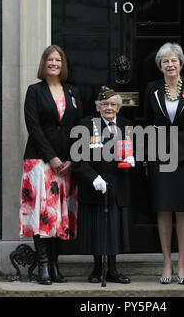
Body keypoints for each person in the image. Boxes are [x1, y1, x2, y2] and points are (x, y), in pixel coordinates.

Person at [18, 45, 83, 285]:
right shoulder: (35, 91)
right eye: (50, 59)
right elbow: (33, 126)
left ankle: (55, 264)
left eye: (58, 60)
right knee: (41, 213)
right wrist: (52, 157)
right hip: (40, 161)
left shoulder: (73, 91)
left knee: (59, 215)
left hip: (66, 164)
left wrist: (72, 159)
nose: (54, 63)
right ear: (44, 64)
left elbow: (79, 127)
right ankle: (43, 266)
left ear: (63, 64)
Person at [144, 42, 184, 285]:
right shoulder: (152, 89)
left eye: (174, 60)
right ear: (160, 66)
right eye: (165, 61)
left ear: (181, 63)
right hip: (159, 155)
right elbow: (147, 125)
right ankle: (167, 261)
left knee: (183, 208)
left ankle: (182, 262)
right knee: (163, 208)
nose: (170, 65)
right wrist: (145, 159)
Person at [73, 86, 135, 284]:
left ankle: (113, 270)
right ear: (98, 108)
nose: (108, 108)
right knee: (97, 229)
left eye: (112, 104)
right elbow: (77, 158)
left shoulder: (128, 126)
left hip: (118, 186)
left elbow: (141, 151)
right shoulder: (85, 126)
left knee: (114, 230)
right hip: (95, 186)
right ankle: (97, 268)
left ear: (118, 107)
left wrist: (135, 159)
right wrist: (93, 178)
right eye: (104, 104)